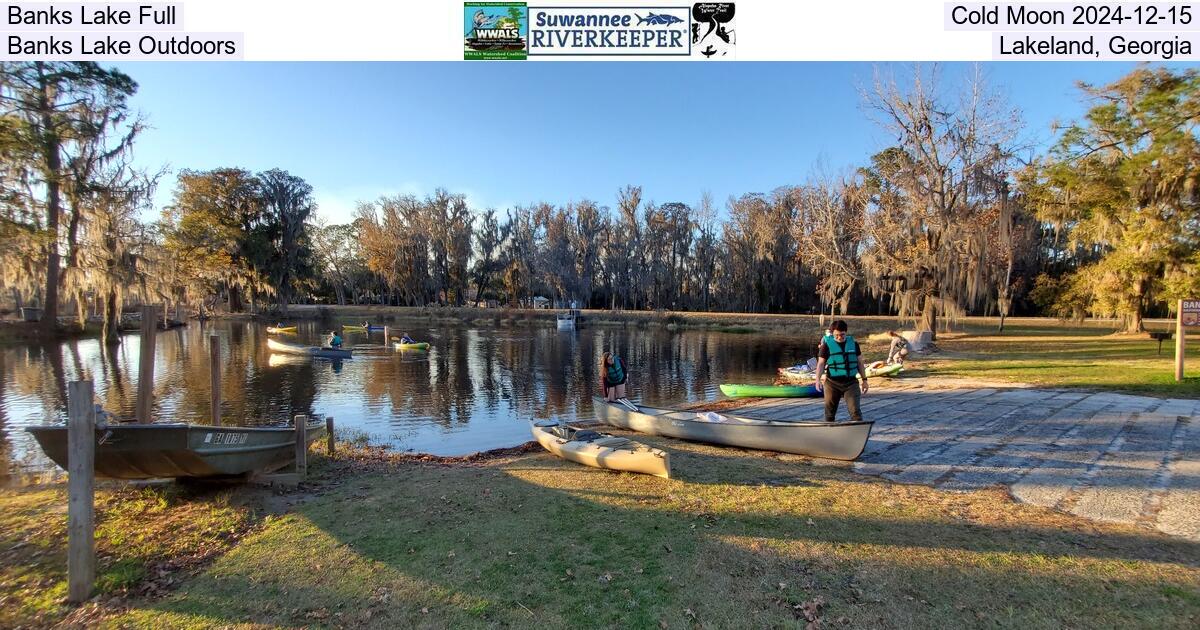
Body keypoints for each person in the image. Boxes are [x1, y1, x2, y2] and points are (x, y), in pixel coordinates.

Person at [814, 320, 867, 423]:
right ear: (832, 333)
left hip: (851, 383)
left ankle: (857, 434)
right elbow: (821, 364)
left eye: (842, 335)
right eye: (836, 335)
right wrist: (817, 380)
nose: (839, 337)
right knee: (829, 413)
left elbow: (860, 363)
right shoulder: (826, 345)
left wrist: (864, 380)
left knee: (855, 412)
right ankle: (829, 433)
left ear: (846, 332)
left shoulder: (854, 344)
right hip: (832, 383)